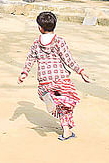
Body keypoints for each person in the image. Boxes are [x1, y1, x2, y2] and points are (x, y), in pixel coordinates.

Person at [19, 11, 91, 141]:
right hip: (61, 78)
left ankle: (66, 131)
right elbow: (68, 59)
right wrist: (80, 71)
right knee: (67, 103)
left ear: (40, 27)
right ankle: (58, 102)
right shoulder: (59, 41)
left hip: (44, 80)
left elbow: (30, 59)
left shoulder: (36, 43)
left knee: (43, 94)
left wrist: (24, 73)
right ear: (54, 26)